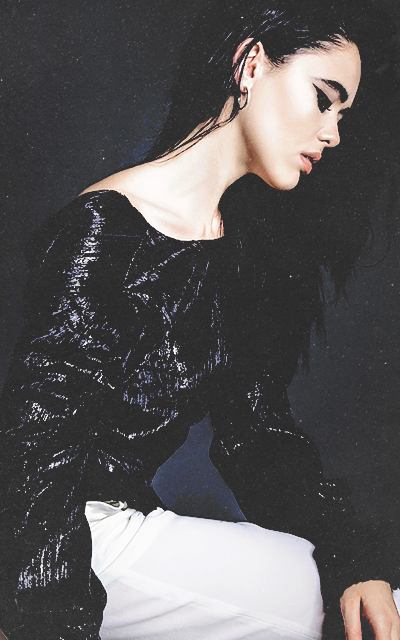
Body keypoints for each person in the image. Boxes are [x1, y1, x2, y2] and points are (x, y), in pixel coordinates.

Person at [0, 0, 399, 638]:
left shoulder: (231, 251)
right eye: (323, 99)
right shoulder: (105, 229)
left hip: (120, 528)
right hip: (51, 538)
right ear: (251, 64)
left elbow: (256, 436)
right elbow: (36, 452)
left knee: (364, 599)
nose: (332, 134)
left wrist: (354, 556)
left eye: (342, 114)